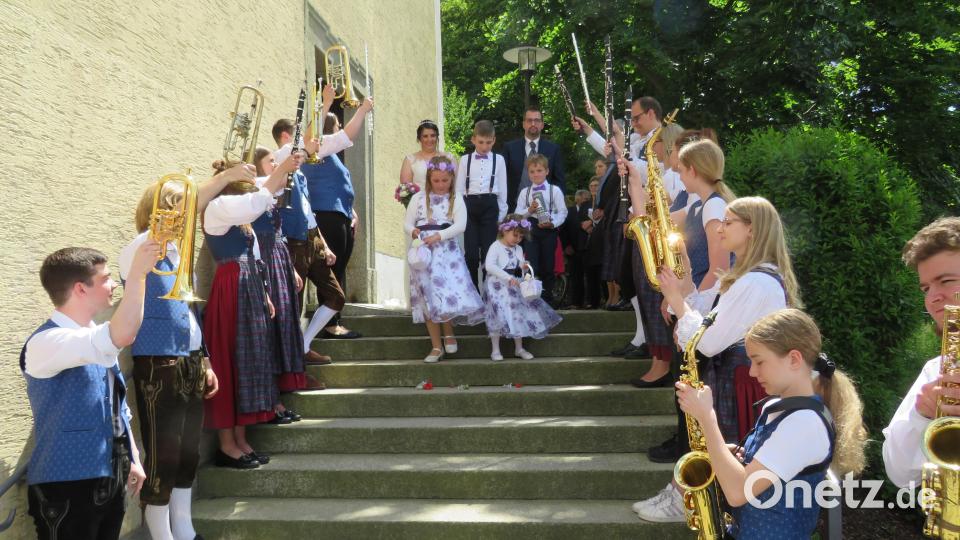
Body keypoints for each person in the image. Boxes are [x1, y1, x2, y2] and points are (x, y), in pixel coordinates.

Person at [634, 196, 801, 523]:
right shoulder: (753, 278)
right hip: (738, 378)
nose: (720, 229)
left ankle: (692, 502)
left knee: (727, 458)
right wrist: (684, 288)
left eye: (729, 223)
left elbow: (706, 342)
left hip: (741, 384)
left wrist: (677, 301)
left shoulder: (755, 281)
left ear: (750, 230)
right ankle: (684, 495)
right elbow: (712, 318)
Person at [676, 308, 866, 539]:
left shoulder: (805, 424)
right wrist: (737, 457)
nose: (752, 372)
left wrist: (707, 417)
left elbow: (738, 491)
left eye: (759, 361)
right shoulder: (778, 407)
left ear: (794, 359)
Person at [22, 243, 158, 540]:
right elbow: (122, 333)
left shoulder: (90, 333)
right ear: (81, 289)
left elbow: (117, 405)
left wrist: (132, 456)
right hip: (66, 484)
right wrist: (137, 275)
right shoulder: (46, 342)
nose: (113, 285)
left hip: (110, 473)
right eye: (106, 278)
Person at [120, 181, 222, 540]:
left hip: (190, 360)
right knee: (163, 455)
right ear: (156, 207)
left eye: (184, 206)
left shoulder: (178, 252)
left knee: (188, 453)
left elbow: (189, 314)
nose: (182, 213)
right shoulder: (140, 247)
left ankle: (185, 530)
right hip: (158, 362)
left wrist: (205, 360)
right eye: (175, 204)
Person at [202, 154, 299, 468]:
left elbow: (256, 256)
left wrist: (266, 293)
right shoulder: (217, 209)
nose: (248, 192)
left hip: (249, 287)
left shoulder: (240, 219)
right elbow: (256, 202)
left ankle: (242, 440)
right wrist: (281, 169)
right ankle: (227, 444)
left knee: (248, 363)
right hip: (231, 288)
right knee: (231, 362)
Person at [883, 217, 960, 488]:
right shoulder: (937, 370)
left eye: (946, 281)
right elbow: (900, 475)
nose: (933, 297)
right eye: (926, 288)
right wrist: (921, 416)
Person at [298, 97, 375, 339]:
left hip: (338, 214)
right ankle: (331, 325)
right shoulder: (319, 149)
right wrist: (361, 109)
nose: (340, 131)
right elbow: (348, 136)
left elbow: (338, 186)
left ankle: (332, 322)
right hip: (326, 216)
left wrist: (350, 209)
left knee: (337, 269)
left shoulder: (331, 156)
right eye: (337, 127)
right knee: (331, 272)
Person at [404, 155, 485, 362]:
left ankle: (449, 333)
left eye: (445, 181)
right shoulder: (418, 198)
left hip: (447, 252)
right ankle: (436, 346)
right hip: (424, 254)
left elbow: (460, 225)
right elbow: (407, 223)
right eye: (436, 180)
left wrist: (439, 235)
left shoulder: (456, 198)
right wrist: (414, 232)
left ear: (452, 179)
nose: (441, 185)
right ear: (429, 178)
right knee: (428, 297)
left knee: (446, 293)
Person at [483, 214, 562, 361]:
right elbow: (490, 266)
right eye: (515, 235)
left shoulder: (518, 248)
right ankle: (495, 349)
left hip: (514, 285)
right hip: (497, 286)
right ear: (504, 231)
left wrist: (524, 267)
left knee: (518, 313)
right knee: (498, 315)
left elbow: (519, 266)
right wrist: (508, 277)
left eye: (520, 237)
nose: (517, 239)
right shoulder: (495, 246)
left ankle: (519, 348)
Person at [456, 120, 508, 288]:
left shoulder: (499, 160)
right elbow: (458, 190)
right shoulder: (465, 160)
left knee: (488, 254)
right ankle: (473, 291)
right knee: (470, 254)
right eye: (481, 142)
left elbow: (503, 190)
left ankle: (489, 291)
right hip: (469, 207)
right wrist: (458, 215)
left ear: (493, 140)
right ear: (473, 140)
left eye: (488, 142)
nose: (484, 146)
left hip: (490, 207)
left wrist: (500, 217)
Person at [516, 153, 567, 306]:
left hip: (549, 231)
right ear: (528, 173)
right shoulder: (524, 193)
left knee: (548, 265)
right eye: (532, 171)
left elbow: (562, 212)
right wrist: (529, 211)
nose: (536, 174)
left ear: (547, 171)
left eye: (539, 170)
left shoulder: (555, 190)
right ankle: (532, 298)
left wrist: (552, 223)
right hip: (531, 231)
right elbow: (518, 215)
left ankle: (548, 300)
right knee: (532, 264)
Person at [503, 106, 566, 211]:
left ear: (542, 125)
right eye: (529, 120)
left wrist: (554, 207)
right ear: (523, 124)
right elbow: (502, 178)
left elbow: (559, 181)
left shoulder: (553, 149)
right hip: (514, 208)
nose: (533, 124)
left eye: (536, 120)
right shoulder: (509, 148)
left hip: (545, 210)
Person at [400, 119, 457, 188]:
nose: (429, 139)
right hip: (419, 198)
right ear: (419, 139)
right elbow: (406, 189)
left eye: (433, 135)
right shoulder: (410, 160)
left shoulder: (449, 157)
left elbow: (456, 184)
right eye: (425, 136)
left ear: (437, 137)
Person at [562, 189, 594, 309]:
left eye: (587, 199)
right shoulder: (568, 211)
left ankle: (590, 301)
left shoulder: (591, 211)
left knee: (590, 276)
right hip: (573, 248)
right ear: (577, 199)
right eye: (583, 198)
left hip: (589, 247)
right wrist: (566, 245)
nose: (585, 201)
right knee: (576, 276)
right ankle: (576, 302)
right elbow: (563, 230)